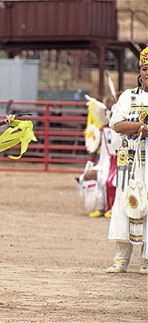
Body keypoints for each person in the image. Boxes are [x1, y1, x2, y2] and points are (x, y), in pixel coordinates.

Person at [106, 46, 148, 274]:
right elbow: (116, 124)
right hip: (130, 158)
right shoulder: (127, 97)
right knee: (125, 203)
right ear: (139, 72)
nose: (147, 72)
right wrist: (141, 127)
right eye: (144, 68)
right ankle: (121, 258)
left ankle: (147, 259)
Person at [79, 95, 120, 218]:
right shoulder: (102, 130)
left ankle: (115, 208)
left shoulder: (125, 129)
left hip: (121, 164)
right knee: (87, 176)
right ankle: (101, 207)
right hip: (104, 165)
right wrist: (90, 165)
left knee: (112, 180)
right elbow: (94, 149)